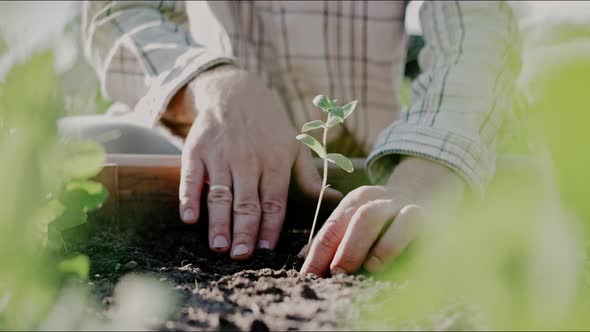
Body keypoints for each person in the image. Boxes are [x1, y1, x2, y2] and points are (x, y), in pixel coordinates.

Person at [67, 1, 521, 277]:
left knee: (527, 175)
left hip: (370, 157)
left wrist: (429, 165)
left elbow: (477, 27)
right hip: (205, 139)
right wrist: (213, 83)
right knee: (72, 152)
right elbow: (119, 11)